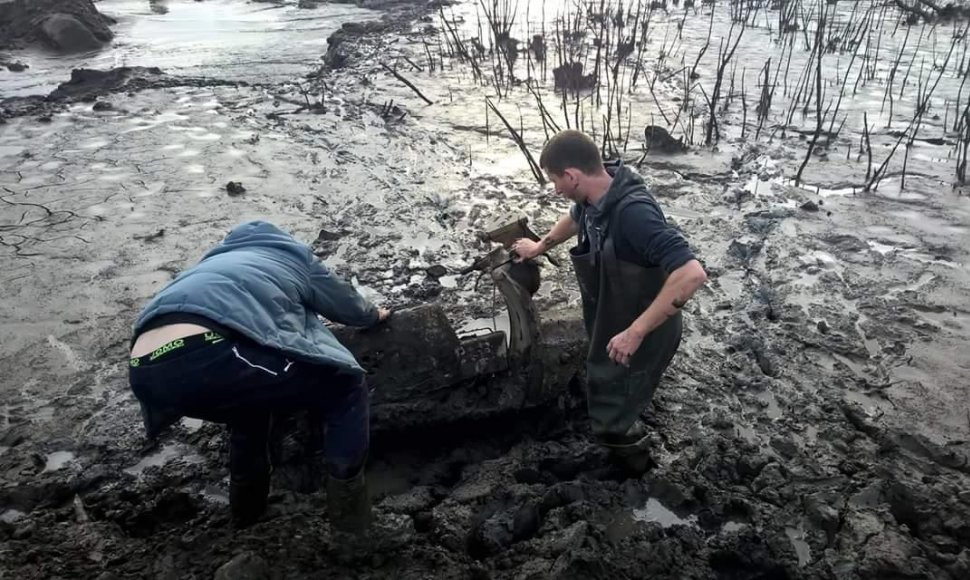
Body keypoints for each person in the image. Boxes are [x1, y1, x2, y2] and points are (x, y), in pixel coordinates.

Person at [127, 220, 390, 531]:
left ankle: (246, 516)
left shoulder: (211, 264)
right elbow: (345, 304)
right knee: (345, 384)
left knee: (247, 412)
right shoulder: (292, 256)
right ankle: (351, 523)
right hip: (213, 350)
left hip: (145, 372)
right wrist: (375, 315)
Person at [513, 130, 707, 472]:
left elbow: (692, 274)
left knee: (614, 405)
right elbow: (575, 218)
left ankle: (635, 469)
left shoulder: (633, 213)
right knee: (603, 380)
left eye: (555, 181)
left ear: (572, 175)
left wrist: (635, 333)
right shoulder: (594, 195)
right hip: (615, 314)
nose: (556, 189)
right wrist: (539, 247)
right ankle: (618, 436)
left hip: (645, 327)